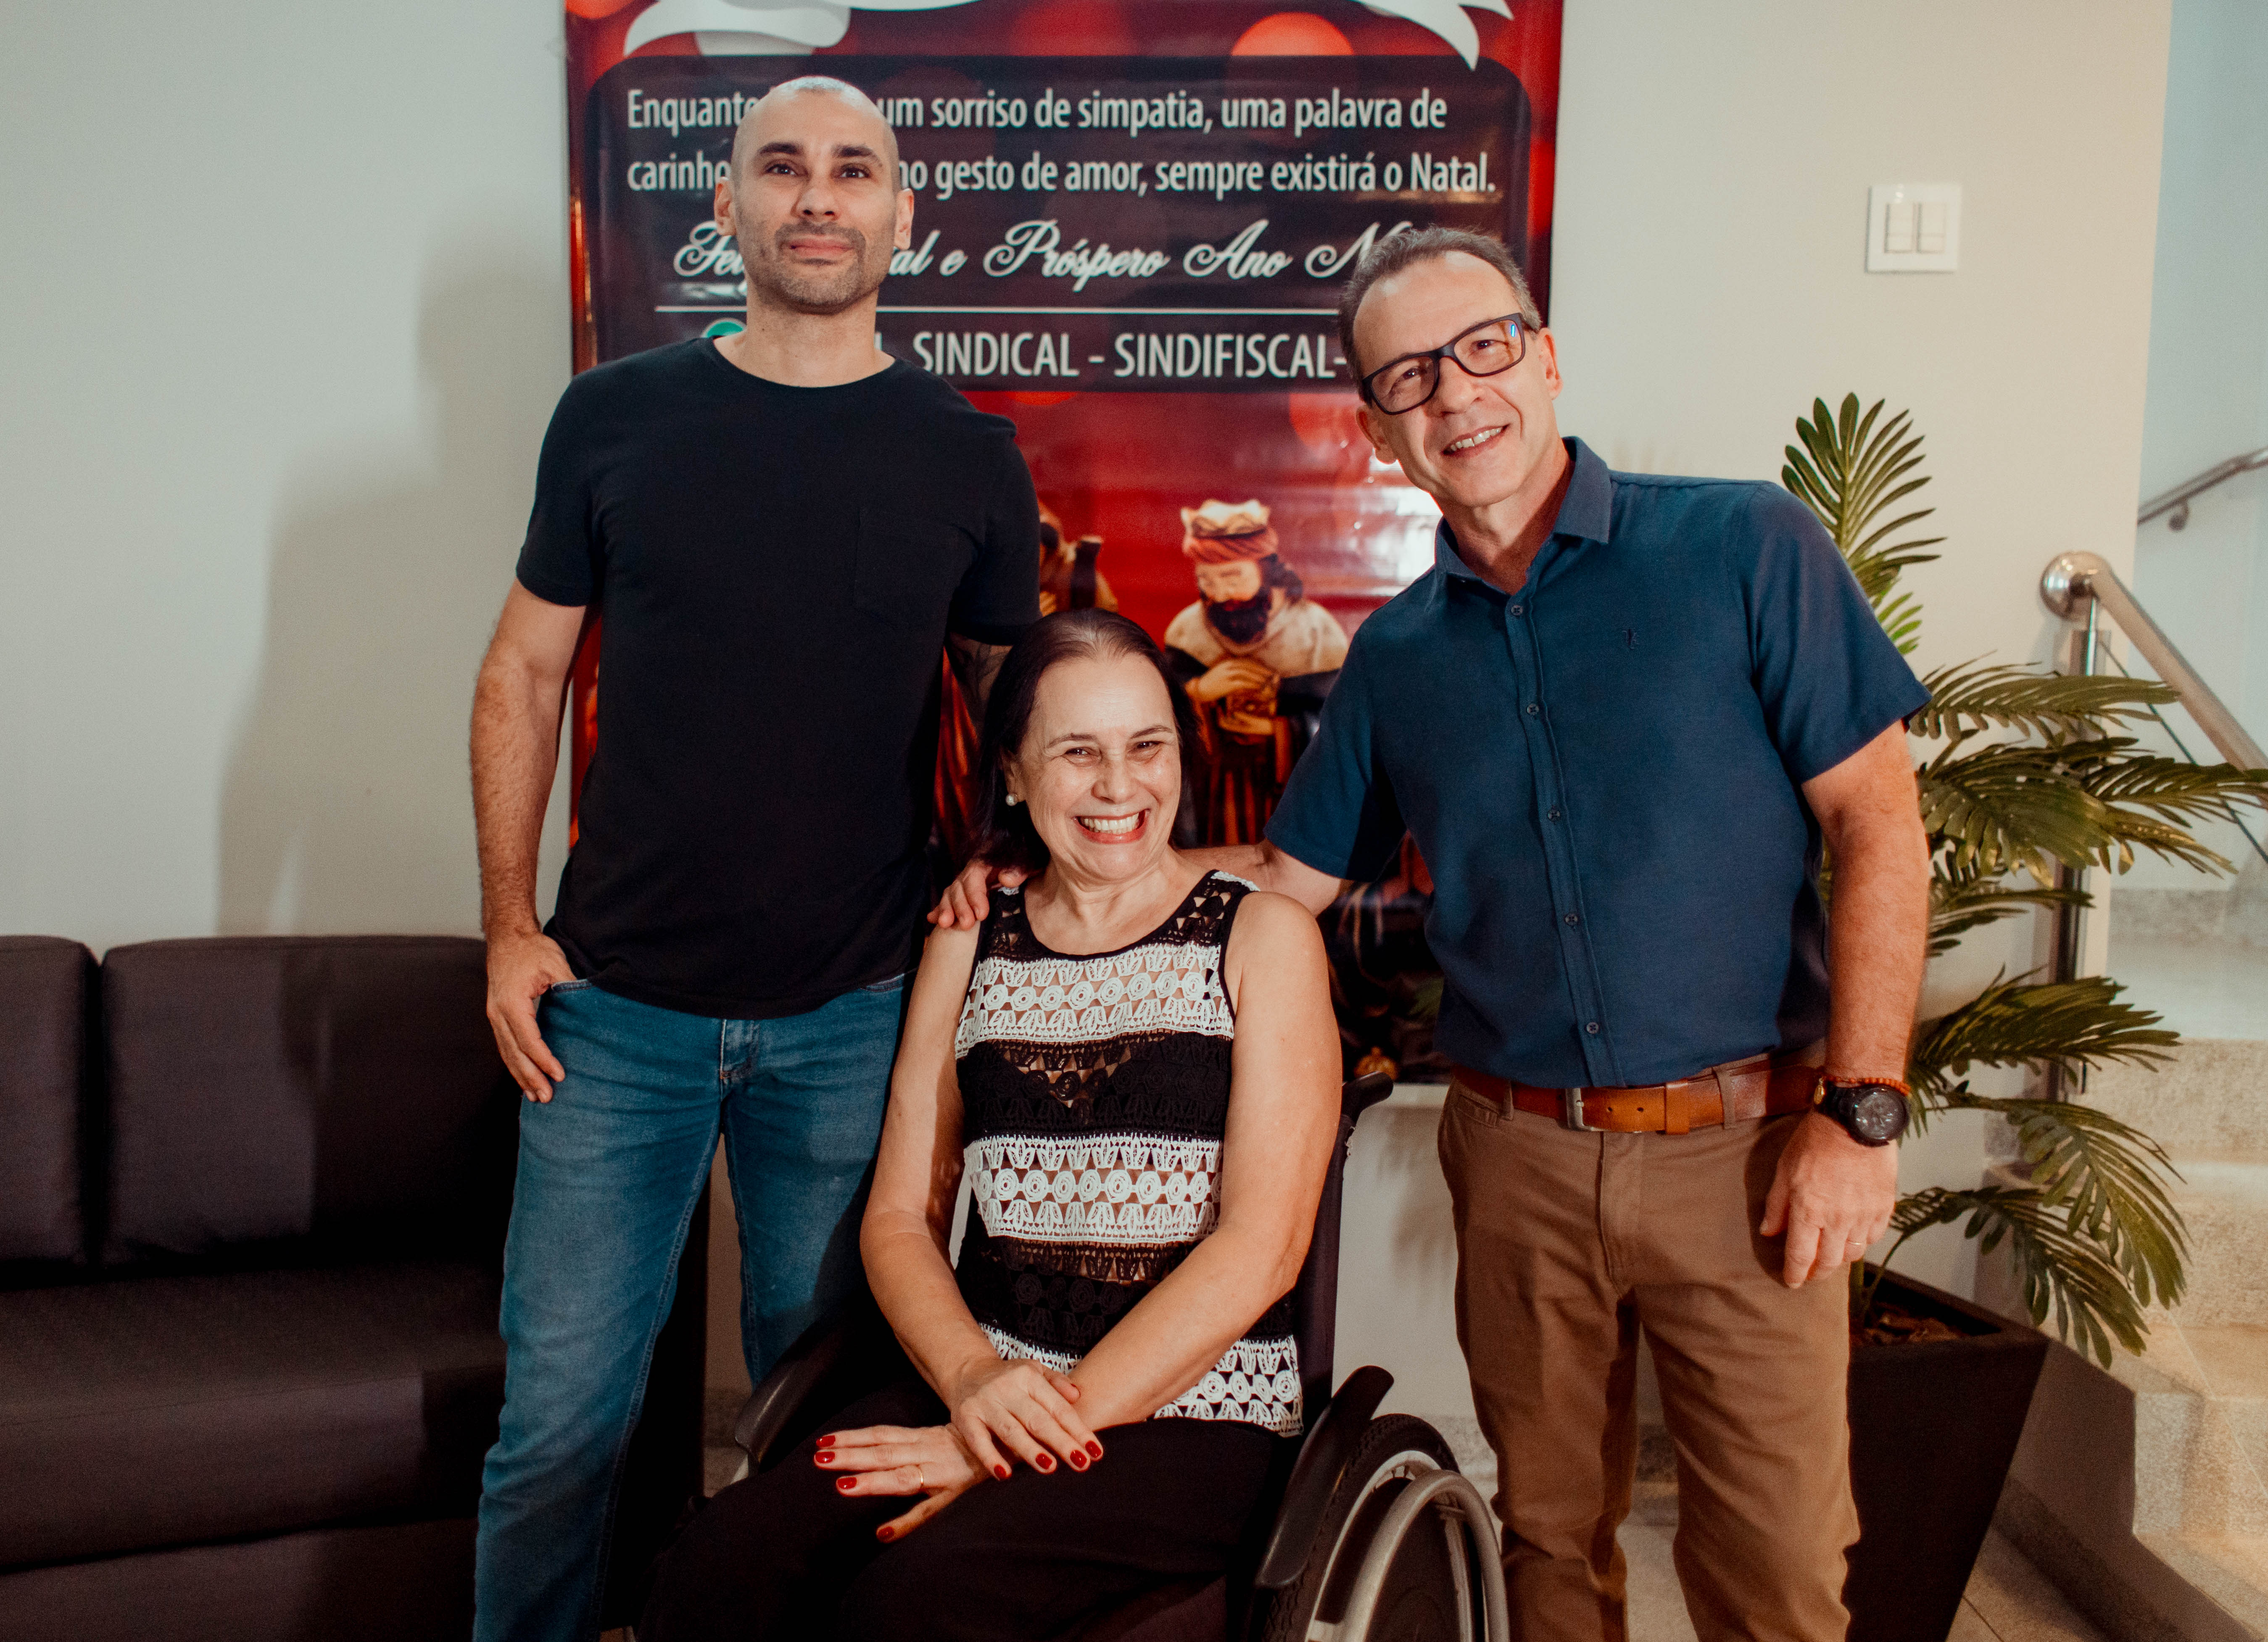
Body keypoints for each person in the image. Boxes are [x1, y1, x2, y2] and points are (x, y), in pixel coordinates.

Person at [940, 228, 1933, 1642]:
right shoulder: (1396, 654)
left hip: (1751, 1148)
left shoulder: (1742, 546)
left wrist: (1862, 1109)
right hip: (1518, 1156)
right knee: (1547, 1538)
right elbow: (1284, 876)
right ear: (1376, 429)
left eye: (1483, 347)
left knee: (1775, 1566)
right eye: (1409, 374)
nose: (1457, 392)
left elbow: (1881, 827)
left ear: (1545, 355)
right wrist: (1044, 862)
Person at [465, 75, 1039, 1640]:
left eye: (853, 170)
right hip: (611, 1014)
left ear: (901, 214)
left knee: (819, 1427)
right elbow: (523, 671)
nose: (817, 195)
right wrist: (509, 924)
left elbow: (1017, 702)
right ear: (724, 205)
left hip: (854, 1016)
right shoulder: (611, 417)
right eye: (781, 166)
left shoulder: (968, 456)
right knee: (559, 1433)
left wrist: (997, 859)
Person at [641, 609, 1342, 1641]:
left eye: (1147, 747)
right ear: (1013, 771)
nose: (1120, 785)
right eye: (1078, 753)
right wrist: (975, 1384)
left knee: (910, 1604)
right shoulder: (970, 937)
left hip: (1195, 1412)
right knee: (715, 1567)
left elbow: (1263, 1248)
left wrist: (1027, 1428)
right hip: (988, 1372)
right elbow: (900, 1218)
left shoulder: (1262, 936)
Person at [1160, 499, 1349, 844]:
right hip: (1213, 801)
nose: (1220, 595)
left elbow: (1343, 726)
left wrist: (1278, 730)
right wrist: (1198, 691)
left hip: (1288, 799)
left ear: (1266, 571)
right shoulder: (1187, 631)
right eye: (1206, 580)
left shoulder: (1315, 632)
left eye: (1232, 577)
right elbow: (1160, 714)